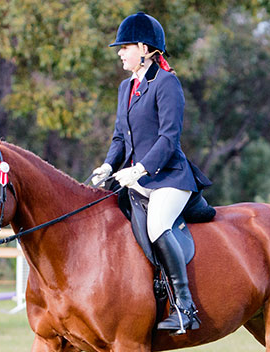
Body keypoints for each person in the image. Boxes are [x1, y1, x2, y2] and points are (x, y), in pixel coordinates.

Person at [89, 12, 211, 334]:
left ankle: (185, 309)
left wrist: (141, 168)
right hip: (134, 179)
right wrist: (107, 165)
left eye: (124, 47)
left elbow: (168, 138)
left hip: (168, 177)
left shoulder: (166, 83)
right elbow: (120, 136)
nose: (119, 53)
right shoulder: (125, 87)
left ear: (144, 48)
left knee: (157, 225)